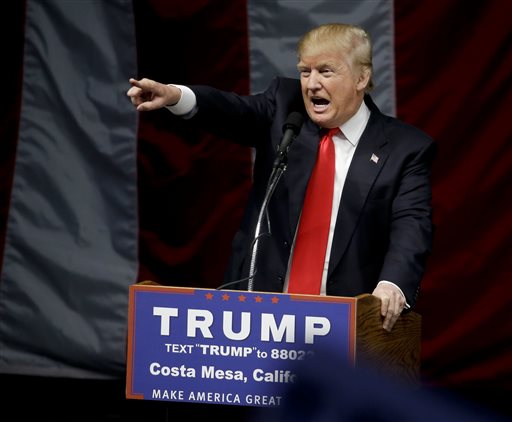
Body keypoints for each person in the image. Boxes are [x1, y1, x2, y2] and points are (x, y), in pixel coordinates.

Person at [127, 23, 435, 332]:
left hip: (348, 321)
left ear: (361, 77)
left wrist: (392, 284)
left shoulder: (405, 148)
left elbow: (411, 224)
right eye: (305, 71)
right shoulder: (286, 109)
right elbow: (231, 110)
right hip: (258, 316)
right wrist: (173, 96)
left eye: (326, 72)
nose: (311, 84)